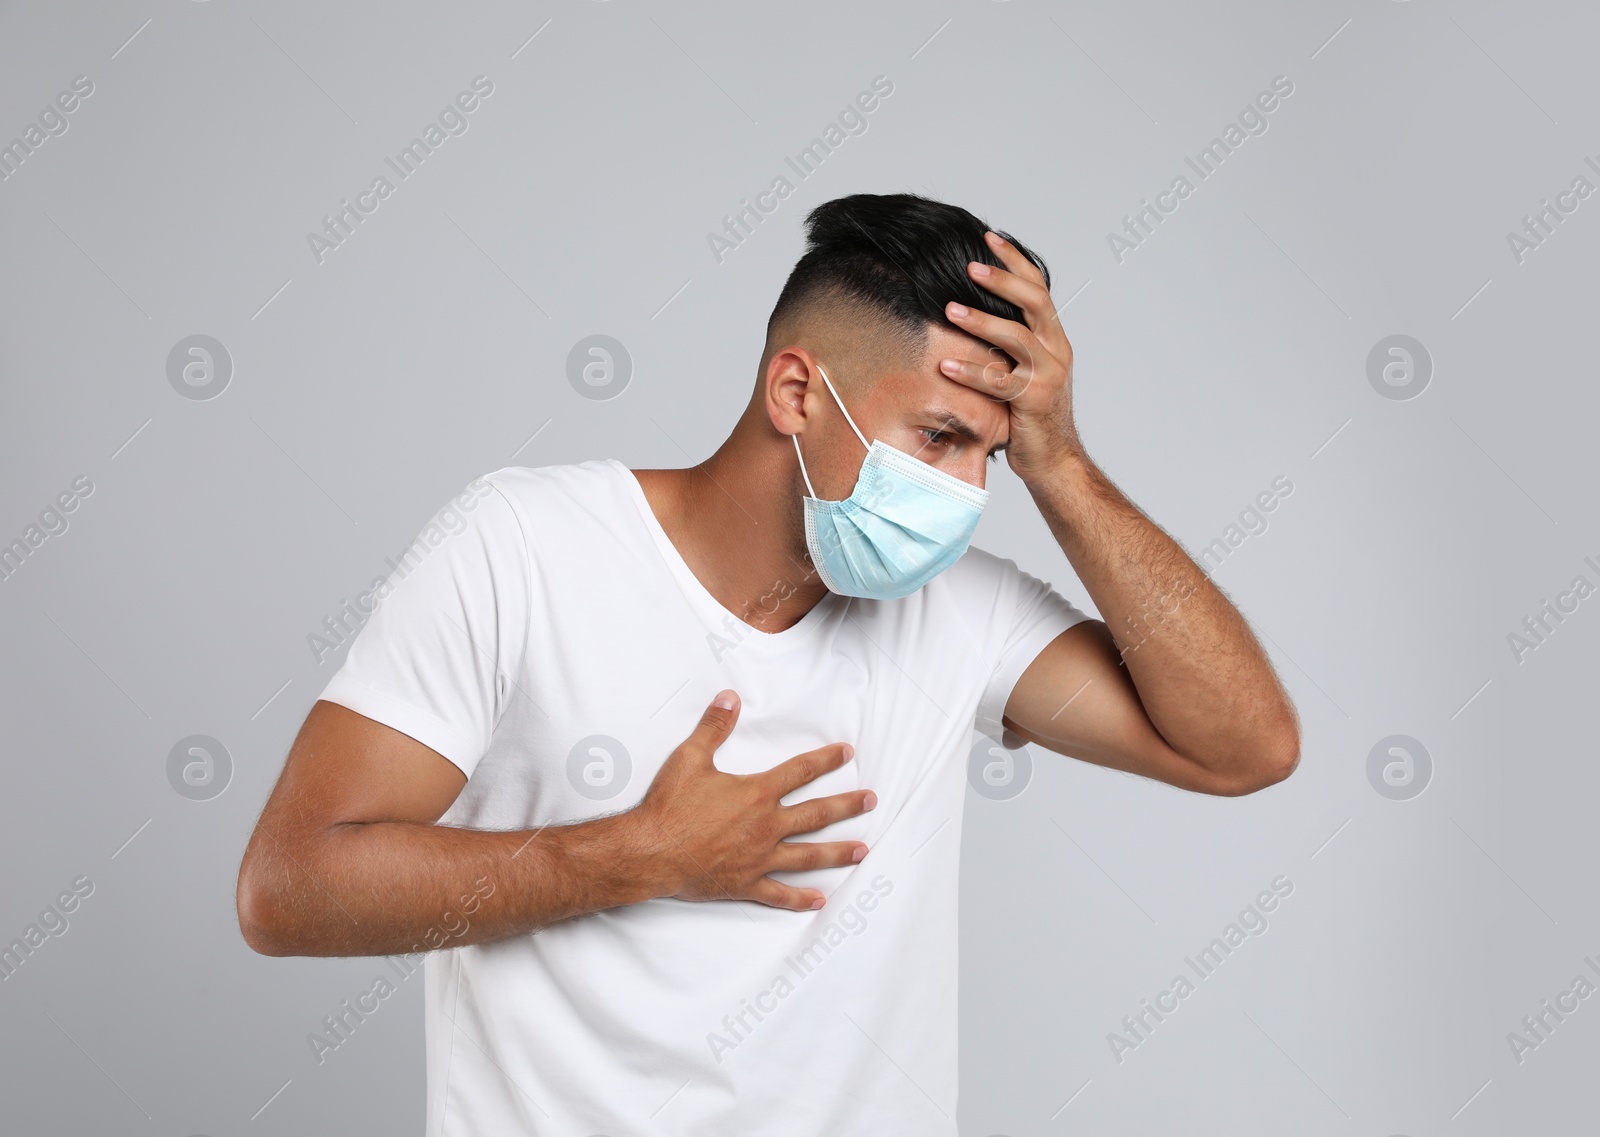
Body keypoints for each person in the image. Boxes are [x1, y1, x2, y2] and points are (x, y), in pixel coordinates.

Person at [236, 192, 1299, 1135]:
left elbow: (1242, 748)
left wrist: (1059, 464)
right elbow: (289, 890)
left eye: (993, 450)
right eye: (937, 437)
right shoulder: (521, 545)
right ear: (796, 393)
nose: (968, 489)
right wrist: (636, 855)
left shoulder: (963, 613)